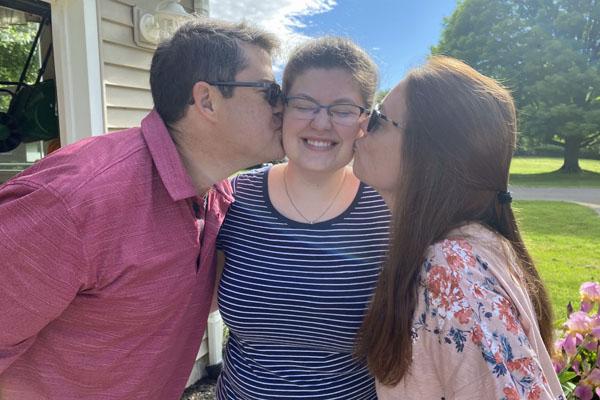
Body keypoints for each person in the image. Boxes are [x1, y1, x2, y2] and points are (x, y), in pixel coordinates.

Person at [0, 20, 284, 400]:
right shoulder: (74, 201)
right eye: (270, 91)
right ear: (207, 101)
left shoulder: (218, 195)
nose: (283, 106)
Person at [353, 56, 565, 399]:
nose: (361, 125)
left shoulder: (451, 269)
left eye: (378, 117)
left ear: (429, 152)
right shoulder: (472, 246)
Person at [215, 37, 390, 399]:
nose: (321, 123)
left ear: (364, 121)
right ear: (281, 108)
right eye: (304, 104)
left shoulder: (387, 210)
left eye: (342, 110)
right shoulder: (234, 198)